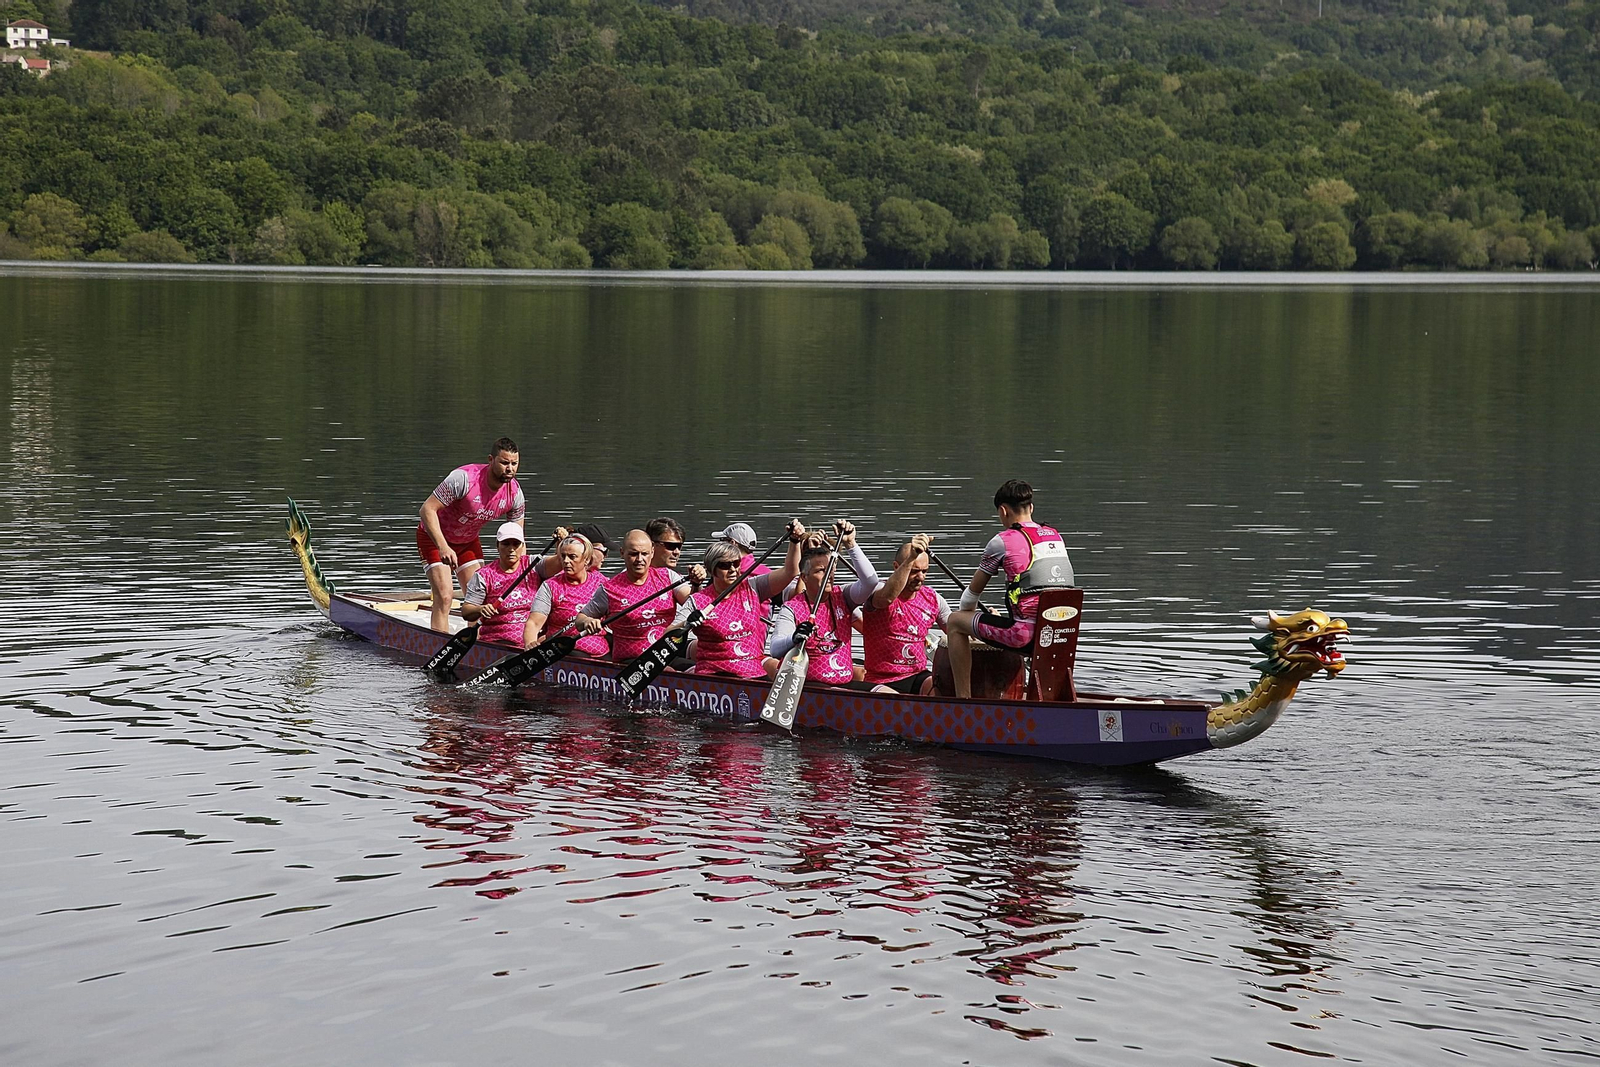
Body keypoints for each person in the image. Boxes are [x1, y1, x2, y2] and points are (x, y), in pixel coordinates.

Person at [946, 479, 1074, 698]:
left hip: (1024, 636)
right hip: (1063, 634)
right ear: (1031, 508)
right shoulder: (1055, 536)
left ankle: (963, 700)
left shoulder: (1001, 541)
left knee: (956, 622)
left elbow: (970, 599)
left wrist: (973, 620)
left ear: (1003, 511)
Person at [417, 438, 527, 632]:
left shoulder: (515, 494)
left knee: (479, 597)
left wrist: (523, 573)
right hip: (434, 539)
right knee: (444, 595)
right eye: (504, 462)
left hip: (467, 542)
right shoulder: (464, 479)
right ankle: (439, 645)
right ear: (491, 460)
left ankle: (477, 644)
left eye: (514, 463)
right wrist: (443, 546)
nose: (509, 468)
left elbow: (518, 538)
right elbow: (427, 510)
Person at [672, 521, 805, 678]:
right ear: (711, 570)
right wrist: (686, 623)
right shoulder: (697, 600)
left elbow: (790, 572)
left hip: (752, 671)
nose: (733, 569)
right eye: (725, 565)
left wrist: (795, 541)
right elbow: (669, 635)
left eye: (736, 563)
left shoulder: (753, 586)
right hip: (716, 674)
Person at [767, 522, 879, 686]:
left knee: (887, 693)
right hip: (813, 686)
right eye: (821, 570)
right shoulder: (791, 608)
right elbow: (775, 649)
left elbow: (870, 582)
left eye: (830, 570)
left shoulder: (844, 597)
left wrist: (851, 544)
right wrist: (794, 638)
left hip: (844, 681)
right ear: (804, 577)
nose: (829, 576)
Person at [576, 530, 705, 662]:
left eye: (644, 554)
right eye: (633, 554)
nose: (640, 559)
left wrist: (696, 584)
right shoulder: (609, 589)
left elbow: (693, 604)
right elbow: (580, 619)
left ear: (652, 553)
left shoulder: (668, 577)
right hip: (631, 661)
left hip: (664, 654)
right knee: (670, 671)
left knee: (695, 668)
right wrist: (587, 622)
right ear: (622, 553)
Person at [856, 534, 949, 694]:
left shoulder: (933, 599)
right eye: (914, 571)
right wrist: (911, 557)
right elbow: (887, 598)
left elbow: (955, 630)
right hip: (881, 678)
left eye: (924, 571)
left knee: (941, 687)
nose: (920, 578)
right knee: (893, 698)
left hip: (917, 675)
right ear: (896, 566)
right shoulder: (878, 591)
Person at [524, 533, 610, 656]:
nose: (566, 561)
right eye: (563, 556)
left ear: (586, 559)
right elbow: (534, 623)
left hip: (601, 648)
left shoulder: (603, 583)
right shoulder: (551, 586)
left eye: (572, 557)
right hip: (566, 650)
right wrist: (530, 644)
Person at [460, 523, 542, 648]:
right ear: (497, 546)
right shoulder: (484, 575)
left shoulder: (534, 565)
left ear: (523, 546)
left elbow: (560, 561)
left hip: (533, 639)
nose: (511, 549)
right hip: (499, 640)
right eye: (506, 544)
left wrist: (561, 542)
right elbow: (466, 611)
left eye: (516, 544)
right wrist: (480, 609)